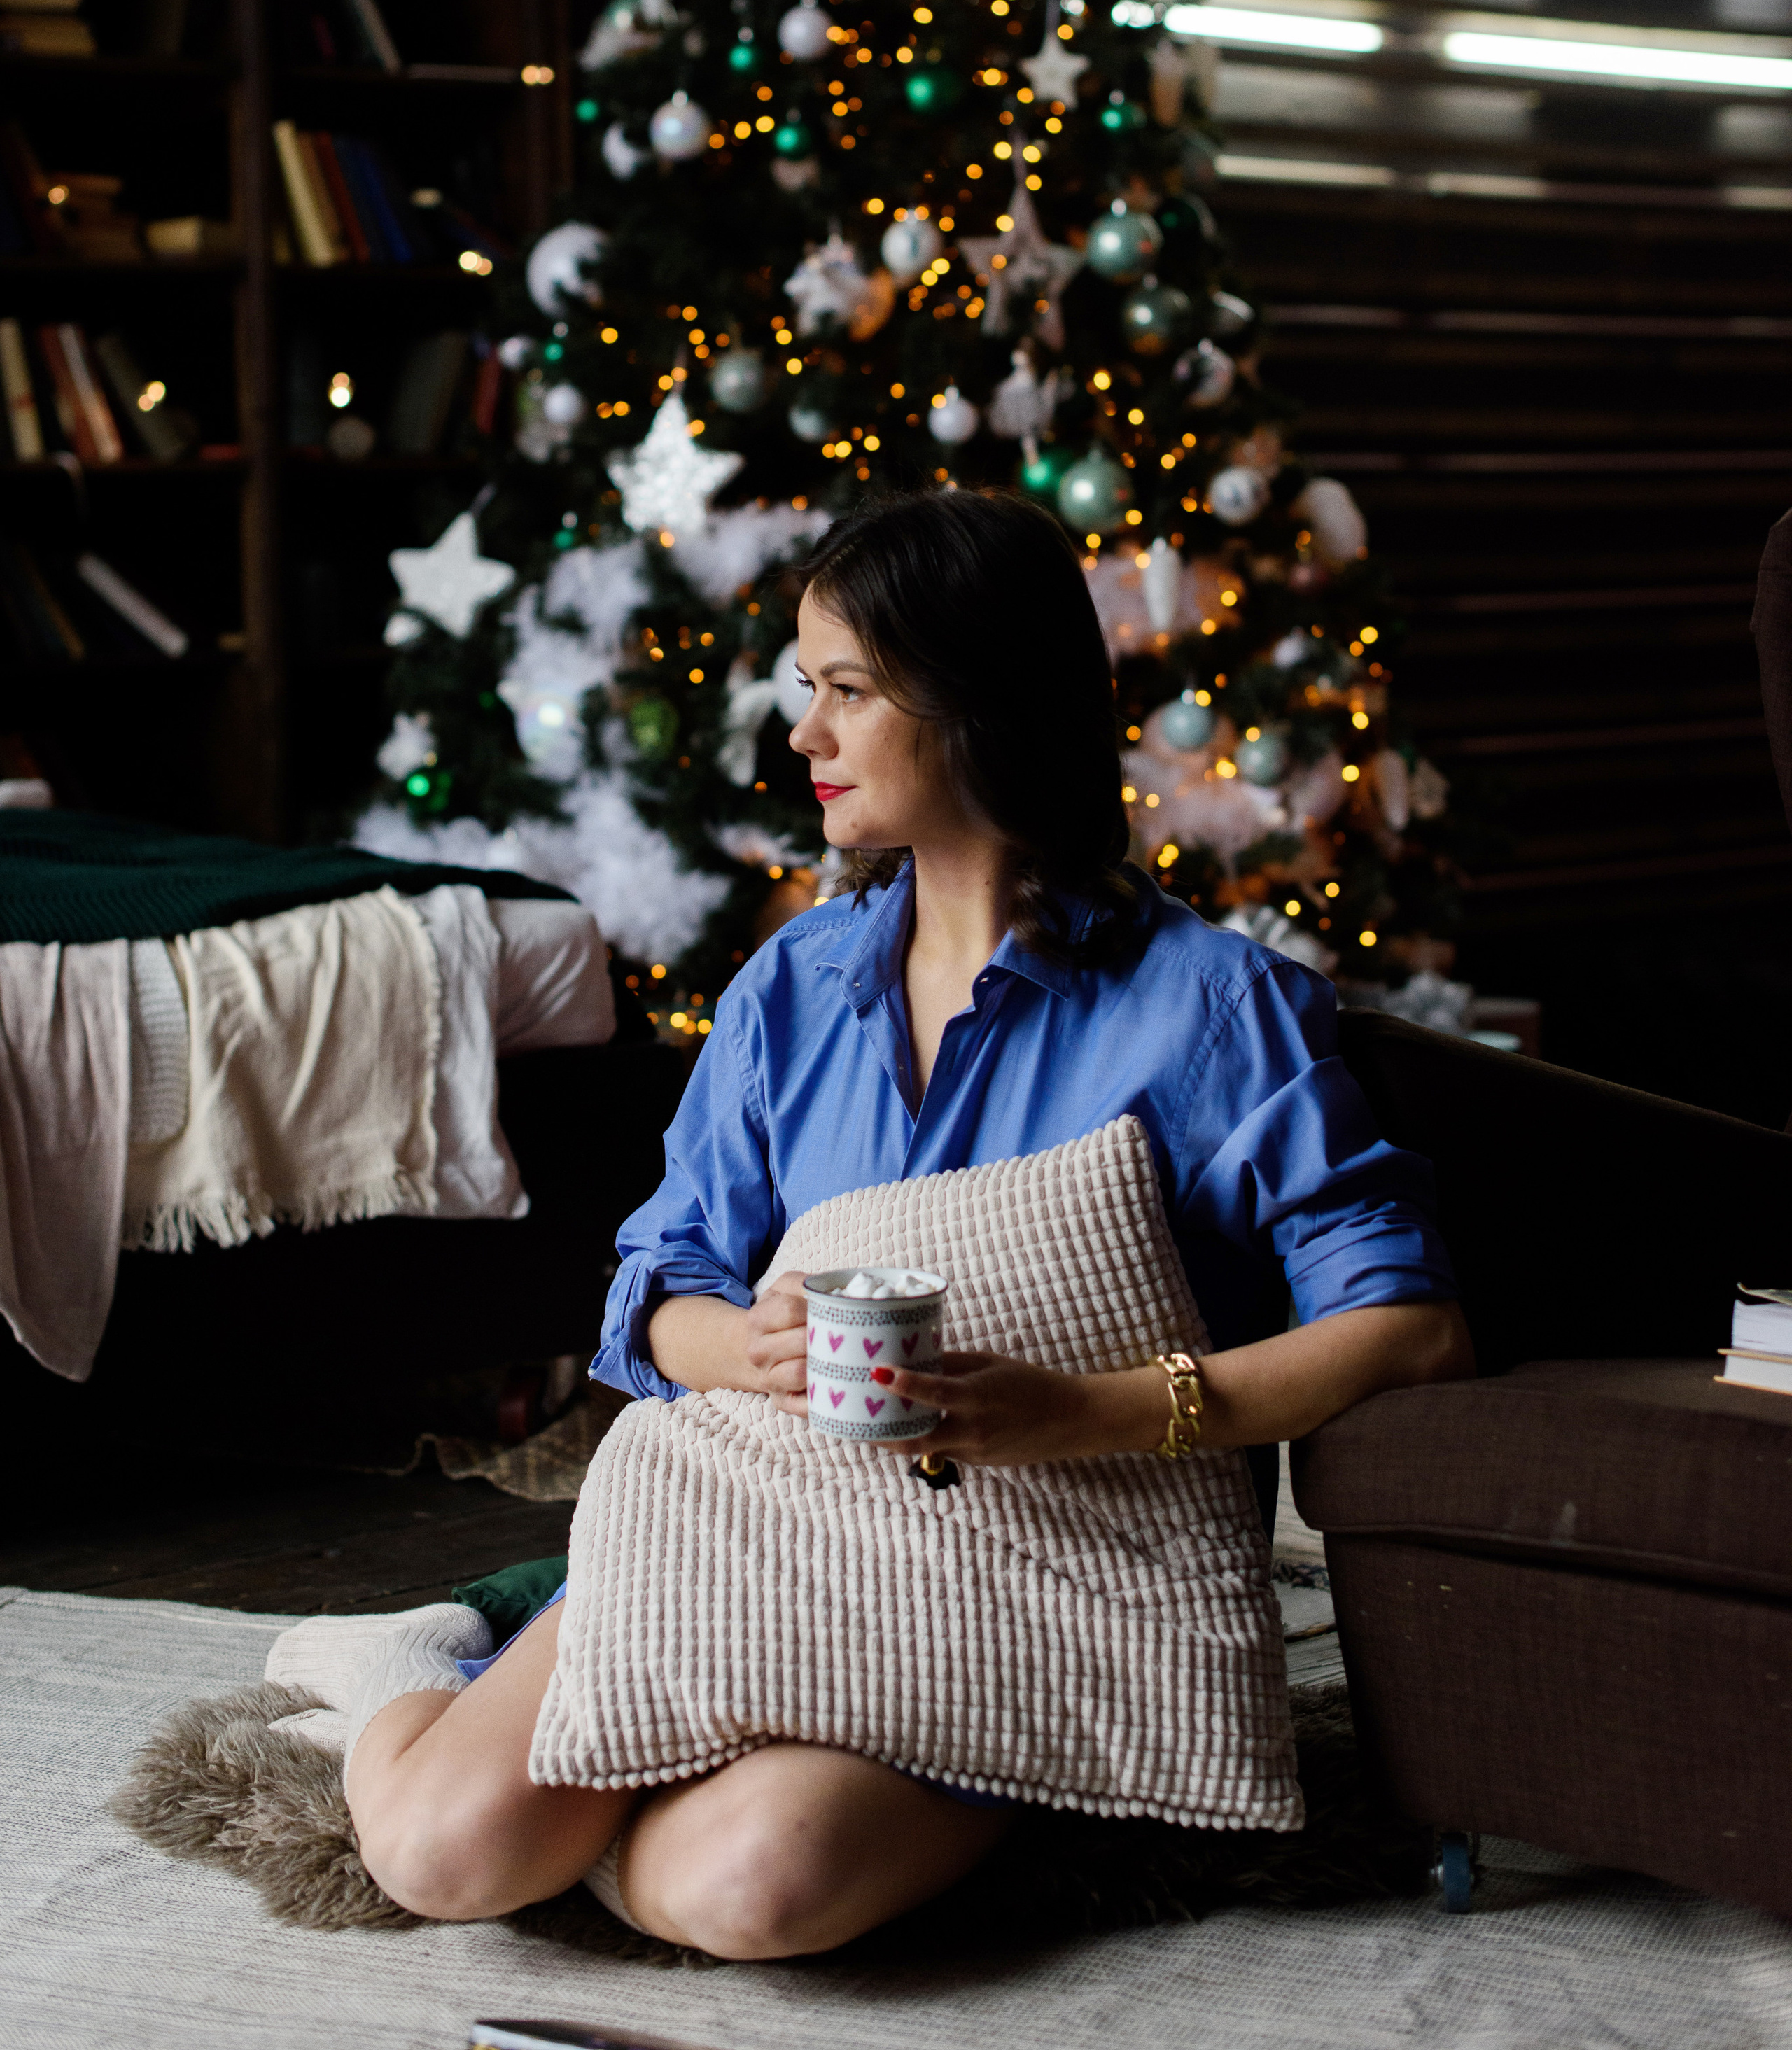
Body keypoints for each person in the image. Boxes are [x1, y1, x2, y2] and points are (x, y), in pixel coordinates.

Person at [342, 489, 1471, 1957]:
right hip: (753, 1530)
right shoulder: (790, 987)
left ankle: (732, 1771)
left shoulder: (1212, 1007)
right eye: (805, 689)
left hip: (1022, 1592)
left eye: (847, 692)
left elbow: (1409, 1327)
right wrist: (739, 1346)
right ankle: (407, 1672)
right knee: (441, 1850)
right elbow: (656, 1286)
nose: (801, 735)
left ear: (980, 703)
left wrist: (1090, 1411)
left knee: (741, 1890)